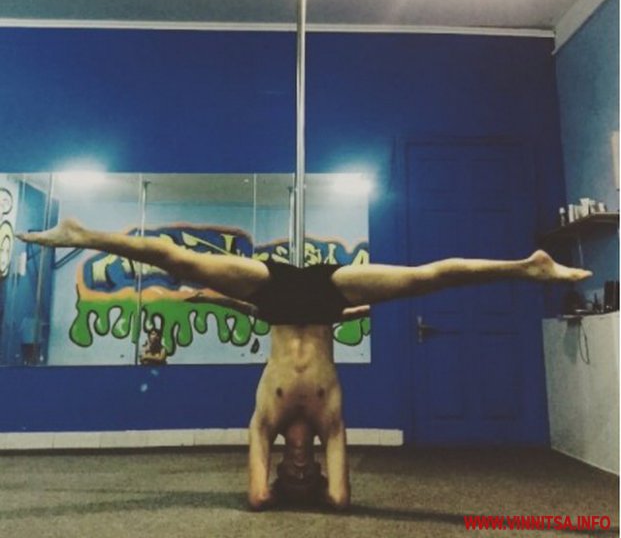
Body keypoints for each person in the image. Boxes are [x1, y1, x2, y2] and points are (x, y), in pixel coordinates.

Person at [17, 218, 590, 510]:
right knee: (423, 279)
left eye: (285, 472)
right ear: (313, 464)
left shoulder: (265, 419)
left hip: (269, 293)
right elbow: (340, 501)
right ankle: (528, 268)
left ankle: (82, 234)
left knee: (179, 261)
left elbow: (256, 498)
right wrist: (321, 493)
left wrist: (273, 492)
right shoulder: (327, 419)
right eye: (302, 473)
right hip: (327, 295)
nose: (292, 466)